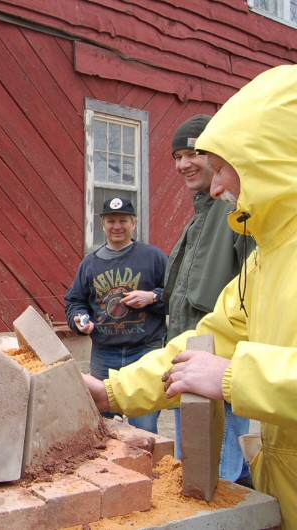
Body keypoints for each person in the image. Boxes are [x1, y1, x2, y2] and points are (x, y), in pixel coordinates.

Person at [84, 64, 297, 528]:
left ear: (272, 161)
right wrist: (112, 391)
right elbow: (205, 343)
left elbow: (221, 365)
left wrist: (234, 377)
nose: (216, 187)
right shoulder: (264, 261)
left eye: (223, 169)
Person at [166, 114, 254, 486]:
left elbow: (252, 295)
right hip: (190, 359)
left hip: (221, 368)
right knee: (199, 465)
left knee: (221, 477)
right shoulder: (197, 217)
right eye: (178, 156)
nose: (184, 164)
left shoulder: (235, 210)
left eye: (194, 154)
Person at [65, 197, 167, 433]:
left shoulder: (153, 257)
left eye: (123, 220)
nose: (117, 226)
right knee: (104, 426)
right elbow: (75, 301)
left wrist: (152, 297)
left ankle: (145, 468)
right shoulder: (90, 263)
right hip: (104, 354)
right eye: (111, 221)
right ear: (103, 224)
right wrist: (80, 319)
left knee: (144, 426)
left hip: (145, 351)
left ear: (134, 223)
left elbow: (177, 294)